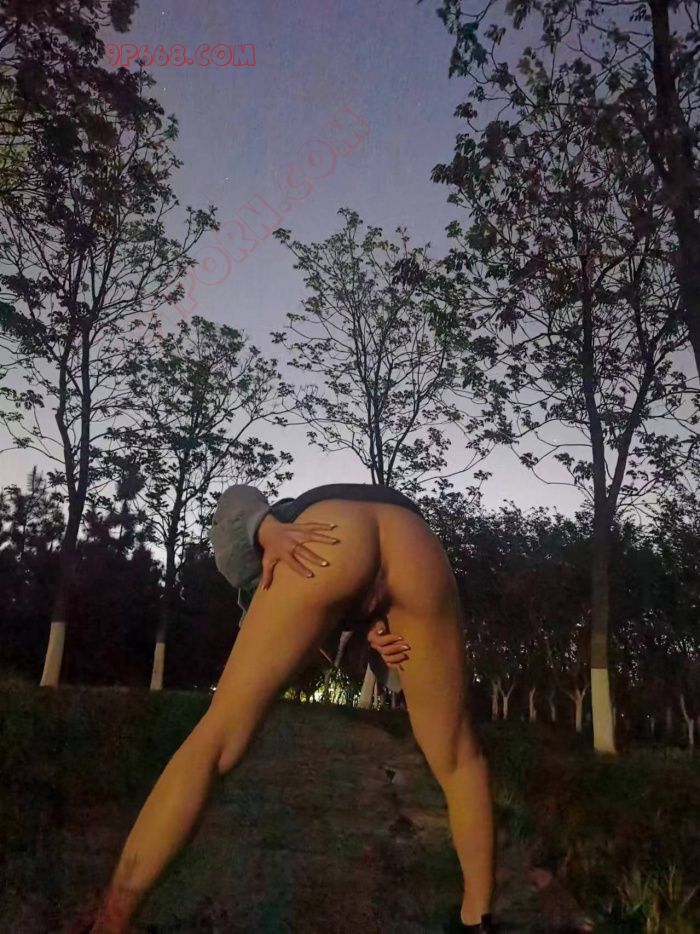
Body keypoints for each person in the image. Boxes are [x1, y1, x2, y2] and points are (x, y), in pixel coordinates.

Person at [86, 482, 496, 933]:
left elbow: (235, 500)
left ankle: (110, 923)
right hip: (418, 542)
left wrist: (265, 529)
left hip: (326, 536)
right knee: (459, 758)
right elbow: (351, 633)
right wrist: (374, 632)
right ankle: (478, 919)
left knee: (216, 740)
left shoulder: (280, 534)